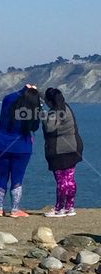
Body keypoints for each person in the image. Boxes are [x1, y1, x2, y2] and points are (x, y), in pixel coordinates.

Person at [0, 84, 41, 217]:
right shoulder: (33, 105)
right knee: (17, 178)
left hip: (1, 142)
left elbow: (13, 97)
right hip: (22, 146)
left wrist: (24, 89)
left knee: (1, 176)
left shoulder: (8, 99)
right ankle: (14, 210)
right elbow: (35, 127)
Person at [42, 87, 83, 217]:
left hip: (59, 150)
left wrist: (42, 115)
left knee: (61, 180)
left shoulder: (56, 112)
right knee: (69, 179)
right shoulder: (66, 107)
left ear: (50, 102)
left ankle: (58, 209)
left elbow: (49, 127)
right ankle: (69, 207)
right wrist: (36, 91)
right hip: (74, 147)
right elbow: (50, 95)